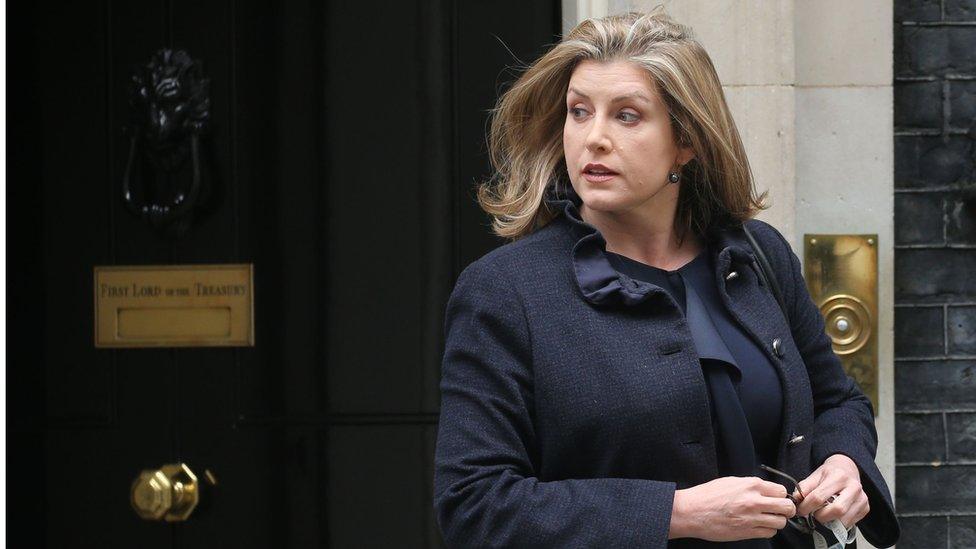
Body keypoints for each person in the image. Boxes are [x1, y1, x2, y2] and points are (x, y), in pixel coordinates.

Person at [432, 7, 899, 548]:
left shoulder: (756, 255)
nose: (594, 138)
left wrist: (845, 462)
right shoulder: (505, 291)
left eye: (627, 116)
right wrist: (673, 513)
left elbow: (836, 400)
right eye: (579, 112)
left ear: (687, 141)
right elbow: (474, 501)